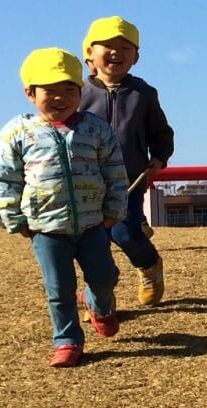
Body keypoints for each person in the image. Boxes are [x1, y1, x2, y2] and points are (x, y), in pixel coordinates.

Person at [0, 48, 128, 368]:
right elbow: (5, 178)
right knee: (60, 288)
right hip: (45, 228)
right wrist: (15, 218)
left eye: (70, 90)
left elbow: (115, 170)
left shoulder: (96, 128)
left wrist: (114, 211)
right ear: (30, 93)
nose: (60, 98)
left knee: (105, 277)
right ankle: (67, 340)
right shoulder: (18, 132)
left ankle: (101, 306)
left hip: (94, 223)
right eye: (50, 91)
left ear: (81, 92)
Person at [79, 16, 174, 305]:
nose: (115, 52)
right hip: (85, 183)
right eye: (106, 45)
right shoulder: (78, 93)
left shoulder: (143, 93)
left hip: (128, 180)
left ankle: (149, 266)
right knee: (94, 244)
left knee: (126, 233)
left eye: (125, 47)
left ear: (136, 56)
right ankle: (99, 299)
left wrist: (159, 155)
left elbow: (161, 131)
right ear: (89, 54)